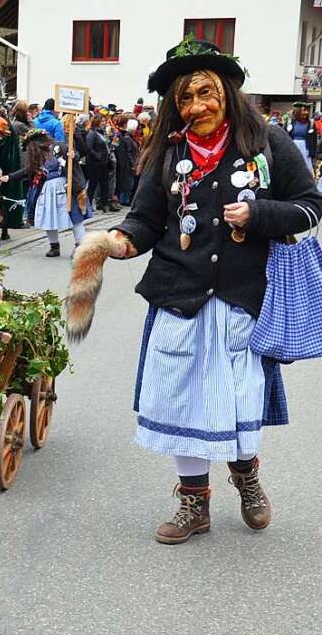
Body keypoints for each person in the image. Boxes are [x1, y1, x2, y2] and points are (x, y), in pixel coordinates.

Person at [93, 38, 322, 544]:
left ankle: (248, 479)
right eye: (184, 98)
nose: (196, 107)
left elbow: (310, 205)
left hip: (244, 297)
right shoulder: (168, 148)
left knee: (240, 397)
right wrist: (121, 242)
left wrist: (260, 214)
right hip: (179, 293)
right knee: (178, 400)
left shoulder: (266, 140)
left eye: (205, 93)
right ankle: (194, 502)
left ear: (228, 93)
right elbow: (147, 218)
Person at [9, 129, 90, 257]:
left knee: (75, 216)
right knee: (49, 217)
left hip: (67, 186)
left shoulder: (60, 146)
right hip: (47, 189)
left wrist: (74, 156)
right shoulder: (38, 156)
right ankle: (54, 246)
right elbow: (28, 170)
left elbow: (75, 156)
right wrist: (10, 177)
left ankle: (80, 246)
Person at [85, 112, 116, 212]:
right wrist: (97, 156)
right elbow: (89, 148)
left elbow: (106, 145)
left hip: (104, 163)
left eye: (104, 121)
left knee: (104, 184)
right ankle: (88, 205)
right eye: (102, 121)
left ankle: (105, 204)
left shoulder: (103, 133)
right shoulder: (92, 133)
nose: (104, 123)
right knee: (93, 185)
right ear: (97, 122)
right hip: (94, 163)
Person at [284, 102, 316, 173]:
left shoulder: (311, 123)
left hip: (305, 150)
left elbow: (314, 141)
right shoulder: (289, 122)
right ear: (297, 111)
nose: (306, 112)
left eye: (307, 110)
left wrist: (313, 156)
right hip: (292, 149)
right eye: (303, 110)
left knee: (305, 170)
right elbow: (283, 137)